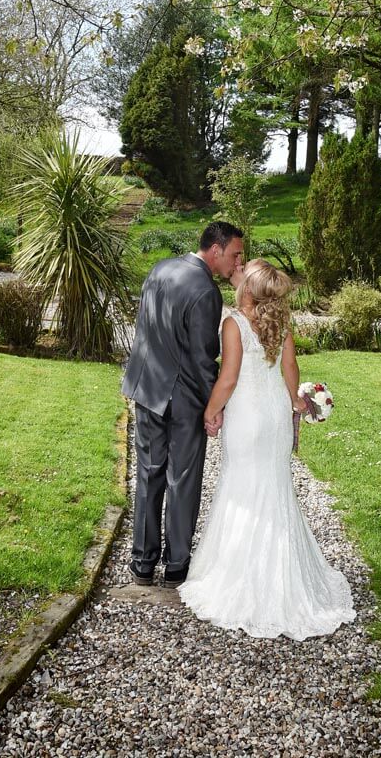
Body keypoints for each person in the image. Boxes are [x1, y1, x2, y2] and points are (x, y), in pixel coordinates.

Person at [179, 258, 356, 639]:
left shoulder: (234, 323)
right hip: (275, 415)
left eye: (243, 274)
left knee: (243, 488)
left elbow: (228, 379)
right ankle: (284, 575)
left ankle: (245, 578)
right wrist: (295, 400)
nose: (237, 274)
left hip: (246, 416)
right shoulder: (280, 324)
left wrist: (211, 412)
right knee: (274, 489)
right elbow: (290, 367)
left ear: (248, 288)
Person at [122, 221, 245, 588]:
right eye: (236, 254)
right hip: (183, 399)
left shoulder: (159, 268)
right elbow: (202, 359)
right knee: (183, 478)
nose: (238, 262)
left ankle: (142, 564)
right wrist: (214, 407)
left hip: (146, 389)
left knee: (148, 474)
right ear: (216, 249)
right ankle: (176, 565)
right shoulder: (206, 291)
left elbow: (146, 329)